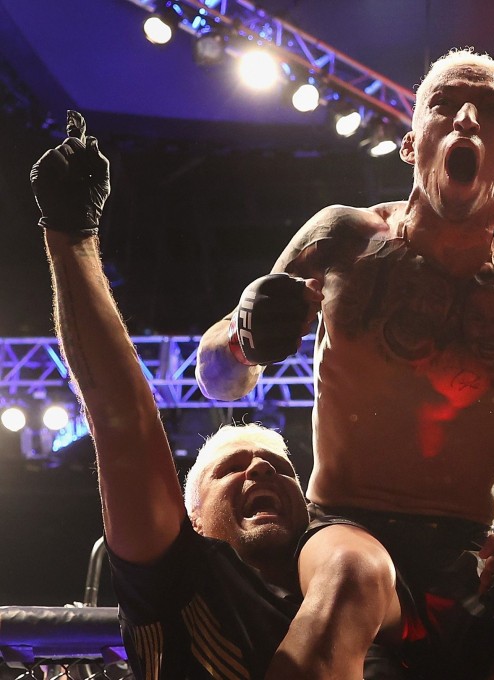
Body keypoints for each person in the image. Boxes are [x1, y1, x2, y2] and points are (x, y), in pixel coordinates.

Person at [196, 48, 494, 678]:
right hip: (344, 525)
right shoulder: (342, 240)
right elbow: (219, 380)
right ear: (412, 143)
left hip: (469, 553)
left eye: (491, 110)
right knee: (351, 579)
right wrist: (244, 338)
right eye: (445, 104)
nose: (465, 117)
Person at [30, 112, 313, 678]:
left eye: (279, 466)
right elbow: (124, 425)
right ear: (192, 518)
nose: (261, 471)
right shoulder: (182, 578)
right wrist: (72, 239)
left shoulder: (359, 584)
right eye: (233, 467)